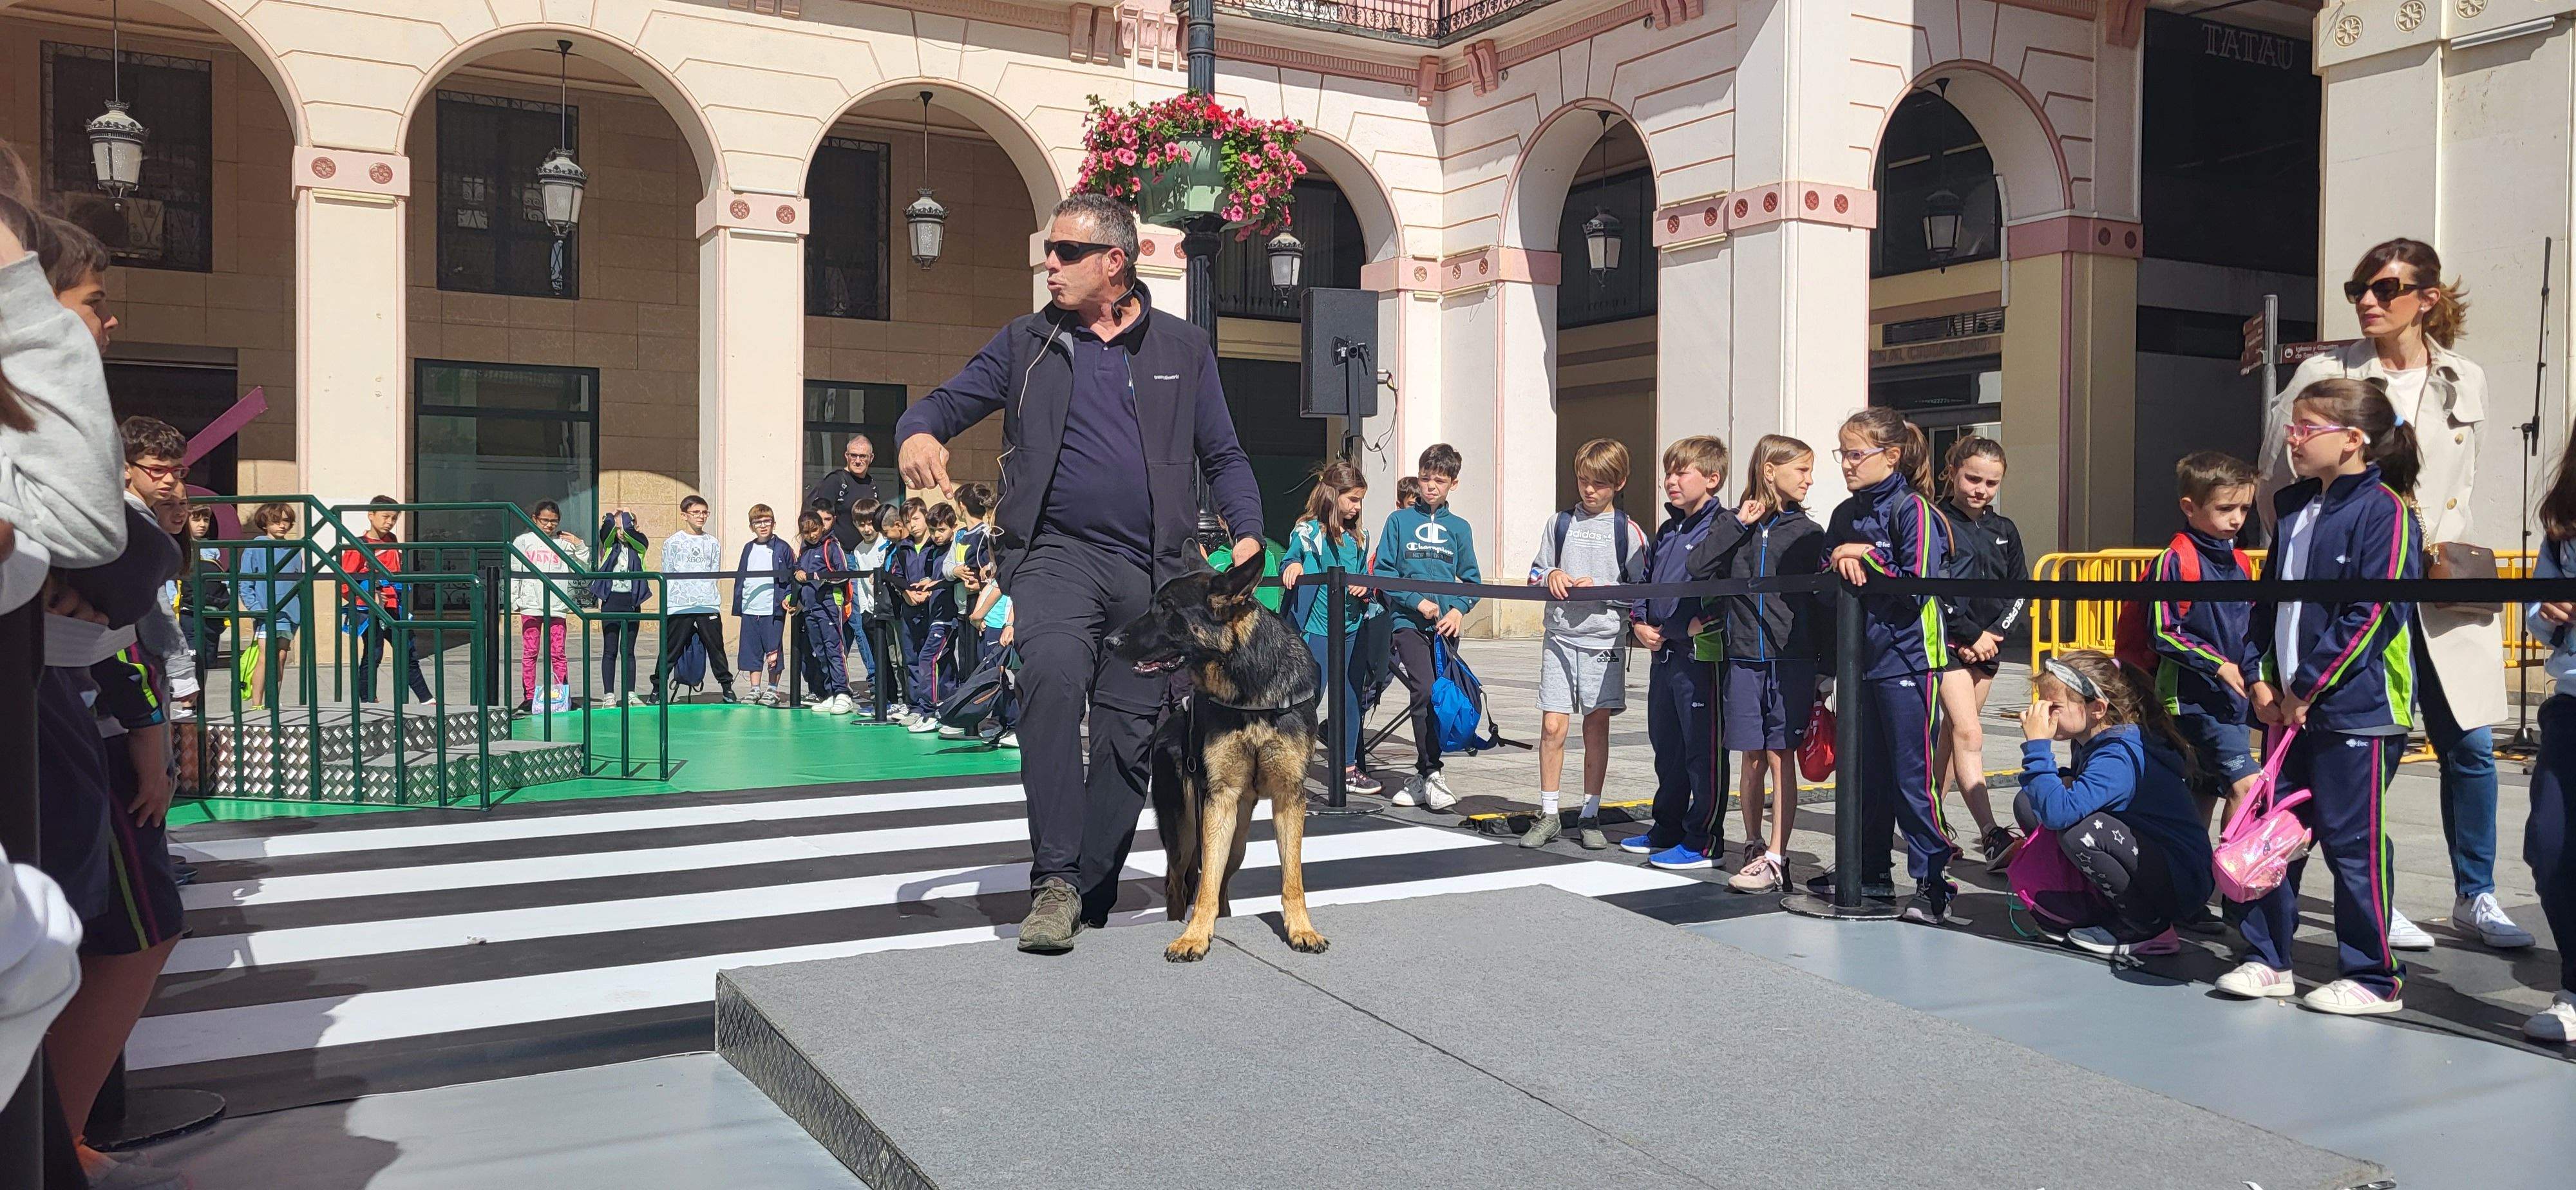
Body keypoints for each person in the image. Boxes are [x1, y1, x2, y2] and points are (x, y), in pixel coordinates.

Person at [895, 191, 1266, 950]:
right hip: (1055, 556)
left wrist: (1250, 531)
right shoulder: (1026, 343)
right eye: (1048, 251)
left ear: (1114, 262)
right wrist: (917, 432)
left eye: (1065, 252)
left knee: (1132, 736)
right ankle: (1055, 881)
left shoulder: (1182, 349)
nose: (1049, 265)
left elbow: (1222, 454)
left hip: (1153, 573)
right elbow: (945, 401)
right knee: (1055, 677)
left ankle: (1090, 883)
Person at [2257, 238, 2526, 952]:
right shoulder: (2326, 371)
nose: (2366, 302)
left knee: (2466, 744)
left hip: (2439, 583)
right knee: (2364, 751)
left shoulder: (2464, 377)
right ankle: (2377, 898)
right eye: (2356, 289)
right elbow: (2274, 478)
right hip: (2356, 580)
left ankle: (2476, 895)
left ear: (2427, 297)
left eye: (2383, 288)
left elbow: (2463, 485)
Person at [2231, 378, 2423, 1015]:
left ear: (2353, 440)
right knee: (2272, 835)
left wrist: (2308, 686)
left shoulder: (2386, 512)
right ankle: (2268, 958)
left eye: (2306, 428)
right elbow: (2268, 604)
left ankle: (2372, 976)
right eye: (2293, 427)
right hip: (2287, 708)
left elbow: (2370, 614)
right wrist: (2258, 676)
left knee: (2351, 842)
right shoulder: (2289, 507)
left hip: (2356, 710)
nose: (2293, 440)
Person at [1817, 408, 1957, 923]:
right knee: (1864, 775)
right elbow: (1826, 574)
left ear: (1890, 456)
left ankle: (1933, 880)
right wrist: (1841, 557)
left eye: (1856, 454)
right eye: (1844, 453)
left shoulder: (1912, 509)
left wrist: (1865, 556)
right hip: (1861, 662)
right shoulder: (1842, 513)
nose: (1847, 465)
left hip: (1909, 660)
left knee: (1911, 776)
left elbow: (1916, 582)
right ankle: (1868, 869)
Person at [1688, 435, 1828, 892]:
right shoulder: (1735, 523)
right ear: (1770, 471)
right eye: (1801, 470)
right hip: (1745, 656)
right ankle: (1751, 843)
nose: (1810, 479)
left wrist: (1825, 668)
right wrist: (1736, 526)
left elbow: (1823, 602)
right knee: (1751, 755)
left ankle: (1777, 854)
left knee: (1779, 753)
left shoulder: (1810, 533)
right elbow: (1699, 569)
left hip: (1793, 659)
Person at [2013, 650, 2217, 959]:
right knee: (2030, 802)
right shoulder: (2092, 738)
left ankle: (2148, 927)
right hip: (2149, 857)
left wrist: (2038, 749)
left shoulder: (2118, 754)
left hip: (2180, 881)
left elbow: (2059, 814)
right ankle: (2105, 901)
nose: (2042, 714)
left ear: (2097, 709)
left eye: (2054, 707)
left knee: (2079, 832)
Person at [1521, 439, 1651, 850]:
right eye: (1583, 481)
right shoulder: (1558, 523)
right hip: (1560, 637)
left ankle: (1591, 813)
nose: (1590, 490)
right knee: (1552, 726)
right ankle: (1548, 812)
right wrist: (1552, 576)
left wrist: (1604, 589)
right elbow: (1535, 574)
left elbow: (1641, 590)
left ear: (1619, 483)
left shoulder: (1627, 532)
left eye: (1600, 484)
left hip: (1603, 639)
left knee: (1596, 727)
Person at [1624, 435, 1730, 869]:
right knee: (1665, 746)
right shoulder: (1669, 529)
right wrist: (1639, 622)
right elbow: (1645, 581)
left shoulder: (1722, 528)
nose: (1670, 480)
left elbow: (1729, 591)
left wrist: (1696, 623)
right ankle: (1666, 825)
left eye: (1680, 472)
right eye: (1668, 472)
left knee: (1701, 750)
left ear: (1712, 477)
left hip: (1698, 659)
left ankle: (1704, 839)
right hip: (1663, 657)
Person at [2152, 452, 2265, 827]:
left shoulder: (2241, 561)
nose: (2236, 518)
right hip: (2190, 698)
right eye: (2225, 508)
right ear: (2190, 507)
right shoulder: (2174, 560)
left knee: (2204, 789)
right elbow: (2164, 632)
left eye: (2244, 508)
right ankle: (2232, 879)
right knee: (2247, 784)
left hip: (2230, 696)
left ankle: (2195, 876)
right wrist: (2217, 665)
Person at [1930, 437, 2027, 869]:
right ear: (1952, 472)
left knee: (1952, 740)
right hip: (1949, 646)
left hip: (1987, 648)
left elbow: (2020, 591)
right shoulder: (1936, 522)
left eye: (1991, 482)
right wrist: (1970, 634)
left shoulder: (2003, 529)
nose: (1980, 489)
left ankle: (1929, 824)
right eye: (1972, 478)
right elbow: (1934, 584)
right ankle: (1990, 832)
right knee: (1968, 733)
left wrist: (1994, 634)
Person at [1371, 442, 1480, 811]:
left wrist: (1458, 610)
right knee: (1423, 689)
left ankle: (1423, 775)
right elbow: (1384, 571)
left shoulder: (1460, 529)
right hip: (1407, 621)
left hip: (1445, 629)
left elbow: (1472, 581)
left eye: (1439, 480)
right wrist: (1415, 601)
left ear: (1454, 484)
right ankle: (1431, 771)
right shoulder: (1398, 522)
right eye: (1425, 478)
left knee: (1440, 696)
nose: (1430, 486)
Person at [2518, 428, 2576, 1040]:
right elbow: (2537, 612)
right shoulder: (2564, 516)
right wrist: (2550, 612)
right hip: (2571, 704)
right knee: (2552, 849)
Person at [1279, 460, 1380, 796]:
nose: (1357, 507)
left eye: (1360, 501)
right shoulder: (1308, 532)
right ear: (1333, 496)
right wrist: (1292, 565)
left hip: (1353, 627)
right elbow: (1290, 557)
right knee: (1308, 698)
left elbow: (1365, 575)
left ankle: (1349, 766)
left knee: (1351, 698)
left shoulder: (1360, 537)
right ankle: (1288, 764)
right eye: (1352, 500)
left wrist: (1365, 587)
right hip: (1317, 630)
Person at [339, 495, 431, 704]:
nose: (389, 522)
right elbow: (345, 582)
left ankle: (426, 699)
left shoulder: (392, 541)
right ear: (371, 515)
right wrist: (366, 595)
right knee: (374, 653)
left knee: (407, 650)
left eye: (394, 518)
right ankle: (368, 699)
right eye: (386, 516)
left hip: (394, 606)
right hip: (370, 609)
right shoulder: (358, 545)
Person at [649, 494, 737, 705]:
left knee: (716, 647)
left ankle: (727, 687)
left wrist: (706, 592)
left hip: (707, 602)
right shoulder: (673, 542)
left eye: (704, 512)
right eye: (696, 512)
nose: (701, 516)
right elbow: (667, 572)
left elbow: (713, 571)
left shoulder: (713, 542)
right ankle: (657, 689)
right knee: (670, 648)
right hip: (680, 604)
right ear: (684, 515)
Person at [509, 500, 589, 713]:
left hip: (556, 606)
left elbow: (584, 567)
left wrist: (579, 545)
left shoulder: (564, 543)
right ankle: (528, 697)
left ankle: (563, 696)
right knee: (530, 652)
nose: (549, 525)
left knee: (558, 653)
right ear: (535, 519)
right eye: (545, 520)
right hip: (531, 606)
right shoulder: (524, 542)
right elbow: (514, 571)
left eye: (554, 521)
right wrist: (515, 600)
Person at [234, 500, 305, 710]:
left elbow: (298, 579)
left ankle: (274, 700)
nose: (282, 525)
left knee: (281, 657)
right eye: (276, 521)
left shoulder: (293, 549)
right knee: (266, 657)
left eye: (286, 521)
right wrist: (257, 608)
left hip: (290, 612)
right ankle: (257, 703)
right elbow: (245, 583)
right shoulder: (256, 546)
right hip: (267, 613)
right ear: (265, 523)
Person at [900, 503, 961, 732]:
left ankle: (931, 710)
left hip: (948, 618)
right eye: (934, 530)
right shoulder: (933, 551)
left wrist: (935, 583)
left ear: (953, 528)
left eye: (942, 530)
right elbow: (933, 576)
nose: (937, 535)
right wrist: (927, 583)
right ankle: (946, 709)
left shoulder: (956, 547)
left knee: (928, 658)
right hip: (934, 615)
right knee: (942, 663)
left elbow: (957, 576)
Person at [787, 509, 853, 715]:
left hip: (829, 605)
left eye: (814, 530)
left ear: (822, 526)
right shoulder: (805, 549)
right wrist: (797, 574)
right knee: (820, 650)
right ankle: (831, 693)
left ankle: (844, 693)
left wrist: (817, 577)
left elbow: (842, 574)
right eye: (806, 532)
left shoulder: (831, 546)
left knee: (834, 648)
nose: (812, 535)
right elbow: (798, 572)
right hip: (810, 608)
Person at [735, 503, 795, 707]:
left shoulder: (782, 548)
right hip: (751, 608)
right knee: (752, 650)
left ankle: (773, 689)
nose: (763, 526)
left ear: (773, 524)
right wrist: (739, 602)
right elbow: (742, 576)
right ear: (752, 526)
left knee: (773, 650)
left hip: (772, 608)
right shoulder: (748, 548)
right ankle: (754, 689)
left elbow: (791, 577)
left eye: (767, 522)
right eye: (758, 522)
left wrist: (788, 597)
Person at [592, 507, 650, 704]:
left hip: (631, 602)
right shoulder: (609, 547)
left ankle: (630, 693)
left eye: (625, 527)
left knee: (629, 650)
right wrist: (612, 518)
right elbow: (606, 530)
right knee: (610, 650)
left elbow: (633, 534)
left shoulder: (640, 546)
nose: (621, 532)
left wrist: (627, 517)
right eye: (618, 529)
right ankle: (609, 694)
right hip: (612, 601)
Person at [864, 502, 913, 719]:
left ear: (898, 524)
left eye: (886, 532)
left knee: (906, 658)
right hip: (888, 610)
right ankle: (900, 700)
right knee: (894, 659)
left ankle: (911, 701)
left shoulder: (907, 547)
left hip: (903, 611)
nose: (885, 537)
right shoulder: (891, 548)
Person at [968, 563, 1019, 748]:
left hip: (1001, 629)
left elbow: (999, 590)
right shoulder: (995, 570)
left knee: (1005, 679)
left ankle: (1014, 726)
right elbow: (989, 589)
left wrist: (977, 616)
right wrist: (977, 617)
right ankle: (1000, 722)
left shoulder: (1009, 572)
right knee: (992, 680)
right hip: (989, 628)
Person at [810, 432, 880, 555]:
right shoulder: (835, 481)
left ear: (871, 458)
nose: (858, 461)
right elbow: (819, 517)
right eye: (854, 456)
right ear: (846, 456)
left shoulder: (872, 484)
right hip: (840, 554)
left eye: (863, 456)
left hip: (868, 553)